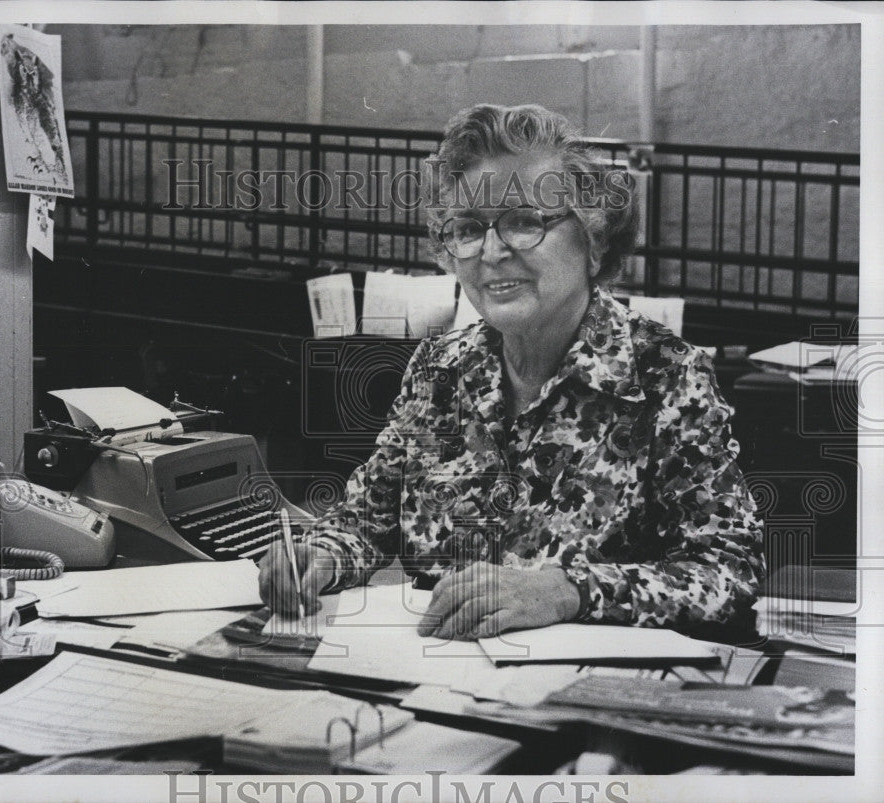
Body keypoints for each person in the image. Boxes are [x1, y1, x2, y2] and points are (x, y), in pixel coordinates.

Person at [259, 103, 765, 640]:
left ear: (595, 243)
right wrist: (319, 555)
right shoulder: (438, 370)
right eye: (469, 229)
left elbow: (729, 571)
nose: (493, 252)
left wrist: (567, 590)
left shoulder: (666, 376)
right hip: (431, 679)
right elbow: (366, 519)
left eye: (524, 222)